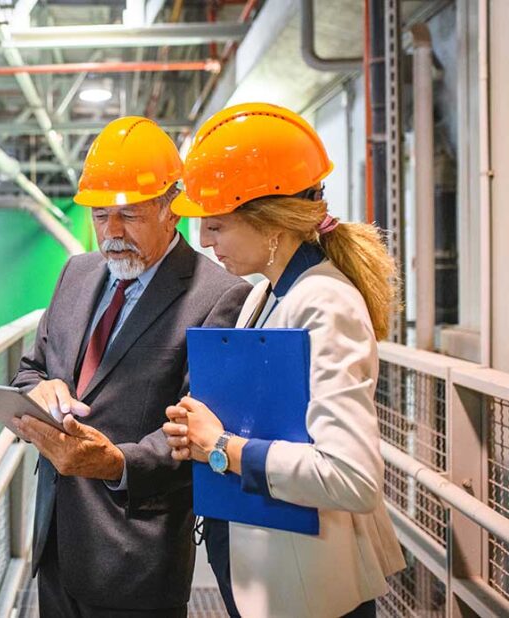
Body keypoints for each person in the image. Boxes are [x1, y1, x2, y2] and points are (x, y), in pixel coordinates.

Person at [162, 102, 406, 617]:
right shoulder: (265, 295)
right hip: (266, 570)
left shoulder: (324, 303)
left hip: (309, 591)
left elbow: (351, 477)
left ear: (270, 222)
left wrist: (222, 446)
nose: (204, 241)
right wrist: (200, 427)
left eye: (218, 225)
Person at [11, 116, 251, 617]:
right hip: (56, 535)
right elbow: (31, 368)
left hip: (135, 556)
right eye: (101, 217)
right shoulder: (77, 273)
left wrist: (117, 463)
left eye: (130, 216)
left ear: (172, 212)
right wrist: (40, 391)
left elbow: (200, 430)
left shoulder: (219, 296)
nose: (112, 233)